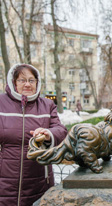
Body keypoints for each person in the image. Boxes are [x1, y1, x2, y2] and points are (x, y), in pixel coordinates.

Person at [0, 64, 67, 206]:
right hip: (4, 179)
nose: (27, 84)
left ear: (37, 83)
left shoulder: (47, 104)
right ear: (13, 82)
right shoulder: (1, 103)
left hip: (39, 179)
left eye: (31, 80)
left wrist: (48, 133)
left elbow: (60, 130)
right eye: (22, 80)